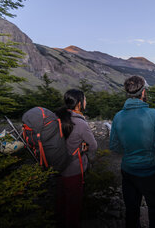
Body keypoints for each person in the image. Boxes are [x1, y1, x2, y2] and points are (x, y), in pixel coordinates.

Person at [109, 76, 155, 228]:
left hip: (128, 172)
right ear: (143, 93)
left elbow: (115, 147)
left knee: (131, 212)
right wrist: (150, 152)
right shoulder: (154, 114)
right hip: (150, 172)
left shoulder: (118, 117)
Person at [56, 89, 98, 228]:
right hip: (74, 171)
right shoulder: (80, 123)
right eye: (85, 99)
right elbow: (93, 145)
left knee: (62, 204)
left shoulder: (59, 117)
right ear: (79, 104)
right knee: (73, 208)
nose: (86, 102)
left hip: (57, 168)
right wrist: (86, 154)